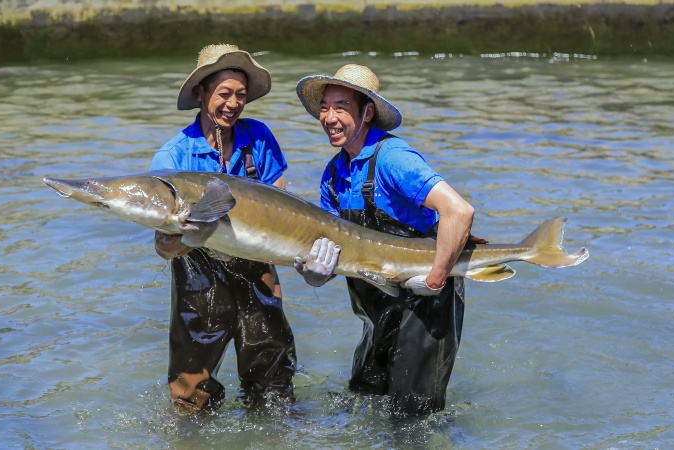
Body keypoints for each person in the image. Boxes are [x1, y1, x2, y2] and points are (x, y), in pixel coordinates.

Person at [292, 64, 476, 419]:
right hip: (376, 310)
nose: (329, 117)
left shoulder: (393, 158)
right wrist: (316, 272)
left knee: (412, 420)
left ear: (368, 112)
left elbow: (459, 211)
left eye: (341, 106)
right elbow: (338, 251)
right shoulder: (333, 175)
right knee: (366, 397)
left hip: (426, 304)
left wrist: (435, 279)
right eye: (325, 108)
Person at [150, 44, 296, 412]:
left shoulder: (259, 137)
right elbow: (162, 246)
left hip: (257, 269)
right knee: (191, 395)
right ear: (200, 93)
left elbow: (282, 203)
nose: (233, 104)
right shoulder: (173, 157)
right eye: (224, 93)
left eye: (241, 95)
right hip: (198, 279)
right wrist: (181, 239)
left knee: (273, 384)